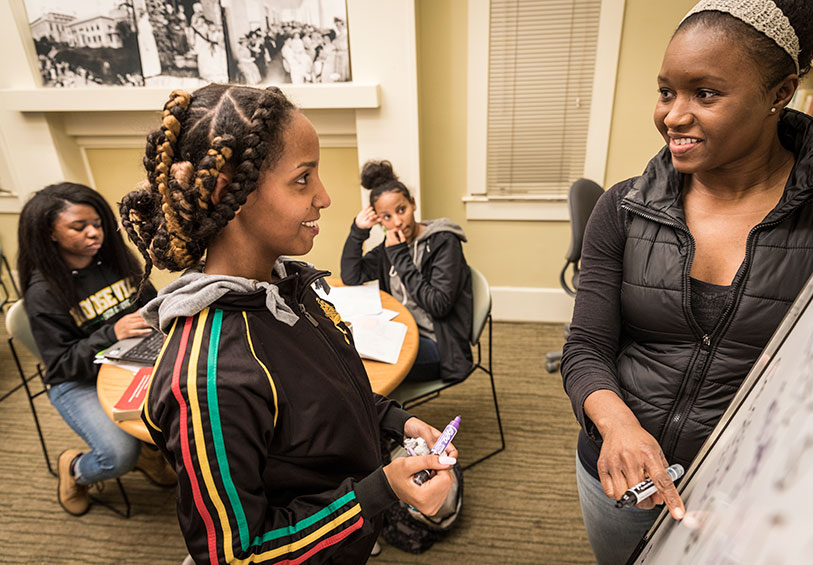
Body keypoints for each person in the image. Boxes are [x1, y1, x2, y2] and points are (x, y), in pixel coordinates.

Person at [119, 84, 457, 564]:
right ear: (227, 192)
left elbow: (324, 397)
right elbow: (235, 554)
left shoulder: (290, 288)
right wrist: (377, 493)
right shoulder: (210, 380)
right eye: (303, 179)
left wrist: (395, 420)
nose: (324, 197)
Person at [561, 1, 813, 563]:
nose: (673, 115)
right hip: (621, 481)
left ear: (779, 92)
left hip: (757, 493)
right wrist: (618, 427)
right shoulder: (623, 207)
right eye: (667, 92)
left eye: (705, 94)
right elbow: (586, 347)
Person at [17, 183, 177, 517]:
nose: (95, 234)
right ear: (50, 233)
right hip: (77, 379)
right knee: (118, 455)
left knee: (185, 403)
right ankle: (75, 470)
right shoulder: (43, 292)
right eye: (79, 227)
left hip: (131, 357)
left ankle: (149, 451)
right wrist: (112, 333)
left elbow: (150, 309)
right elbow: (61, 363)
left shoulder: (114, 259)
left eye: (99, 223)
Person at [341, 160, 474, 383]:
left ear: (413, 204)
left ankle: (384, 415)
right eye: (387, 217)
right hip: (397, 331)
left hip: (437, 344)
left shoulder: (443, 242)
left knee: (358, 367)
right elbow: (352, 275)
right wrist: (358, 231)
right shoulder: (390, 248)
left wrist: (400, 257)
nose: (397, 222)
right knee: (346, 346)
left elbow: (439, 305)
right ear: (378, 220)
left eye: (401, 210)